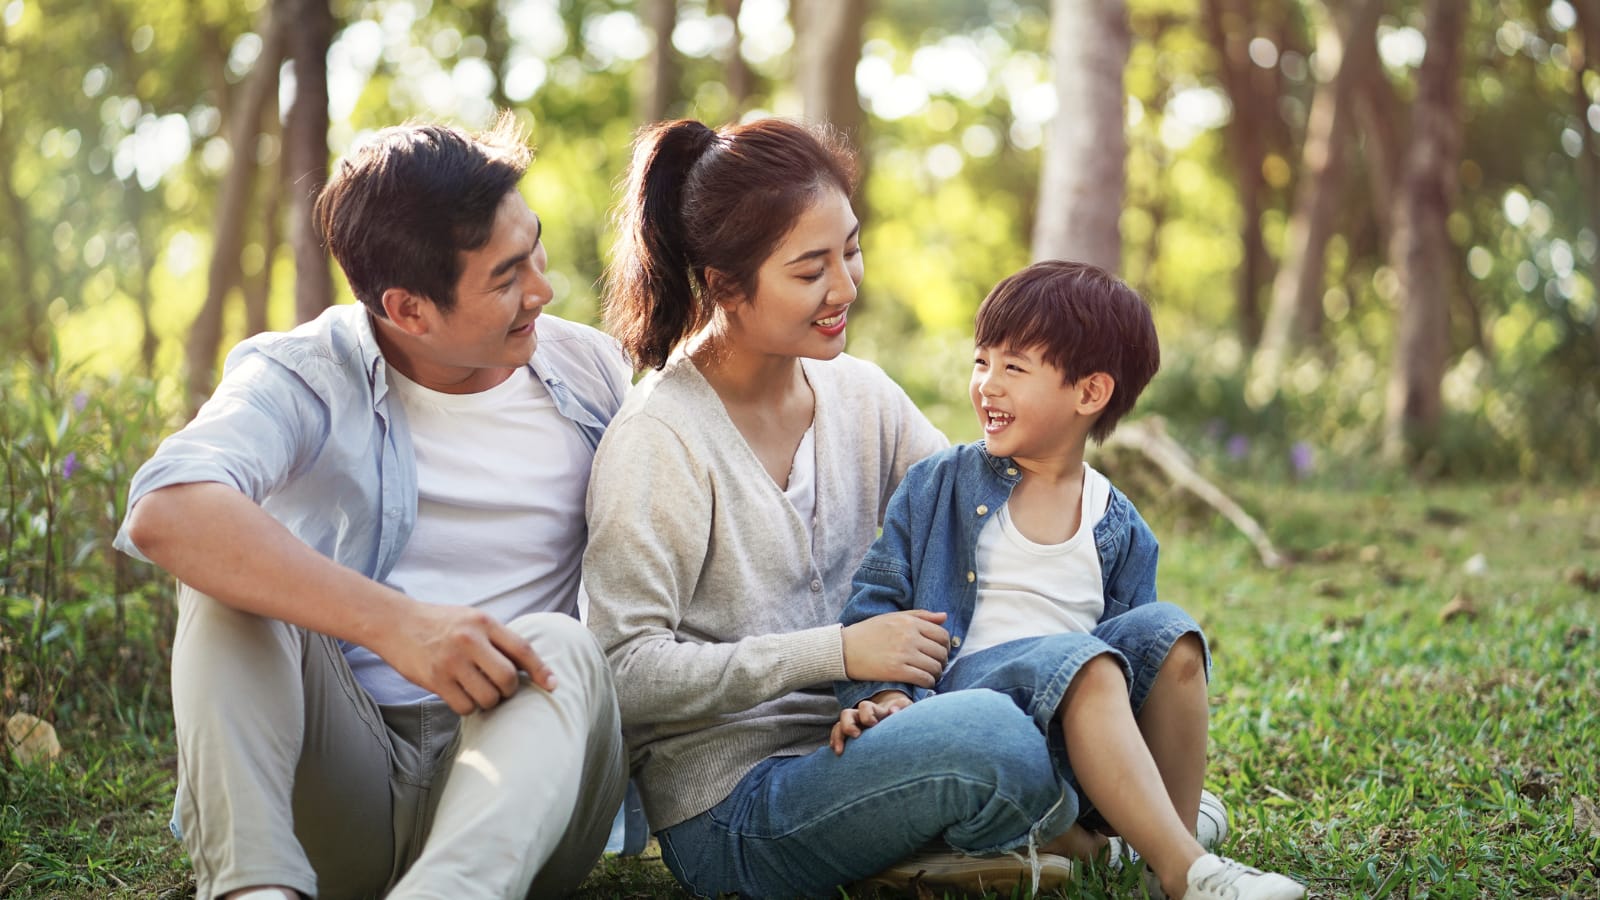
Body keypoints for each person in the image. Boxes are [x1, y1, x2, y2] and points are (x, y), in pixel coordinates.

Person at [583, 117, 1117, 899]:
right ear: (725, 283)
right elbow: (623, 672)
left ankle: (977, 838)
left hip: (880, 732)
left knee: (1131, 643)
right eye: (809, 271)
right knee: (996, 739)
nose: (845, 287)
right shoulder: (660, 438)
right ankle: (1087, 825)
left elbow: (977, 517)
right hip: (741, 806)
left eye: (851, 250)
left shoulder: (860, 394)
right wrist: (837, 654)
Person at [114, 114, 629, 900]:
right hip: (346, 784)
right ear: (408, 309)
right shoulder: (302, 374)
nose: (543, 290)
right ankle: (255, 889)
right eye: (505, 277)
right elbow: (168, 506)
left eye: (534, 249)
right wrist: (399, 625)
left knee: (560, 640)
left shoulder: (590, 373)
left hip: (525, 793)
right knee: (225, 581)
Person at [830, 260, 1306, 899]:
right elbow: (876, 603)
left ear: (1089, 393)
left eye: (1014, 368)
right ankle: (1188, 872)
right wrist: (884, 695)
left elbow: (1134, 665)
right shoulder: (939, 484)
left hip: (1071, 742)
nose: (987, 386)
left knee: (1173, 633)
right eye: (981, 362)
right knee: (1080, 661)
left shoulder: (1121, 526)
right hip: (967, 716)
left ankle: (1155, 839)